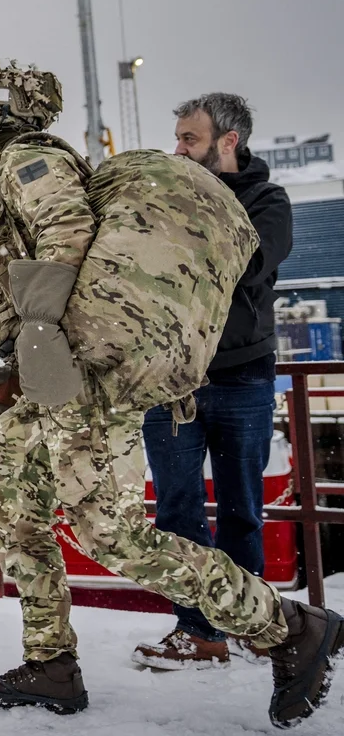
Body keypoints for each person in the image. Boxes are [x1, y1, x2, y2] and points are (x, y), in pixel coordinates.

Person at [0, 56, 341, 727]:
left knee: (111, 533)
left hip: (77, 374)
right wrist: (13, 369)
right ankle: (51, 664)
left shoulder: (26, 158)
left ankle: (288, 627)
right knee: (14, 520)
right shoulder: (13, 164)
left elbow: (66, 232)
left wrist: (38, 346)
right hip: (47, 375)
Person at [133, 93, 294, 669]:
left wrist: (181, 230)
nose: (178, 149)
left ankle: (252, 625)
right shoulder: (165, 196)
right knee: (176, 511)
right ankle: (198, 631)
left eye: (190, 139)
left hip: (242, 377)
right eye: (178, 137)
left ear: (229, 141)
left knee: (241, 508)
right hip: (169, 379)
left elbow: (248, 264)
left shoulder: (267, 201)